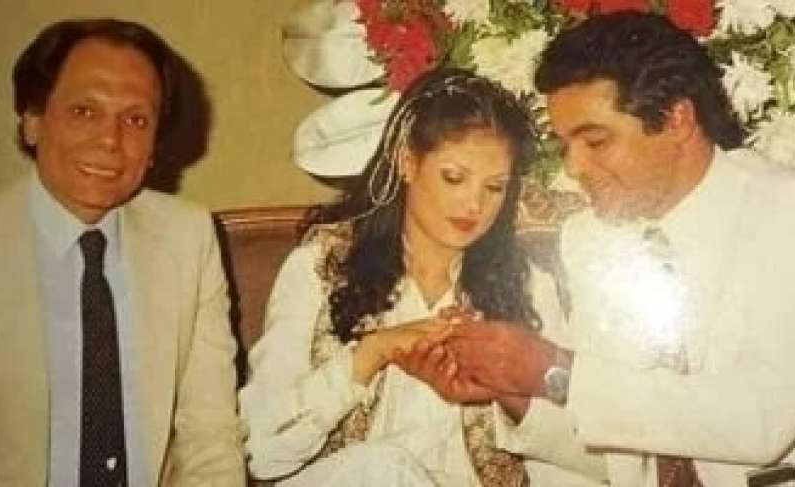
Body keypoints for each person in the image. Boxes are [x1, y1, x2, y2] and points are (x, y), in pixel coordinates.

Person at [431, 12, 795, 487]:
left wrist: (553, 370)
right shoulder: (590, 239)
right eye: (565, 145)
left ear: (677, 120)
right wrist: (514, 387)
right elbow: (625, 454)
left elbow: (757, 421)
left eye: (595, 141)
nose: (574, 168)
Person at [239, 67, 607, 486]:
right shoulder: (321, 266)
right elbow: (260, 452)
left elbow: (594, 459)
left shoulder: (526, 284)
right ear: (408, 162)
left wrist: (506, 393)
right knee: (382, 467)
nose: (474, 204)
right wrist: (371, 354)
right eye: (454, 178)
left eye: (494, 187)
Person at [0, 19, 245, 485]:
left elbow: (210, 436)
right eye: (84, 111)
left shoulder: (187, 238)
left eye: (136, 120)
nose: (111, 140)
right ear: (33, 120)